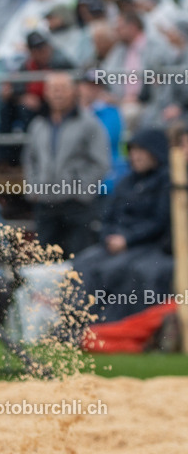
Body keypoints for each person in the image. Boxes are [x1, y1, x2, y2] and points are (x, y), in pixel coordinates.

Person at [72, 128, 174, 323]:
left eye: (141, 151)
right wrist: (109, 236)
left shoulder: (165, 182)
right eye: (132, 151)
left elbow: (159, 222)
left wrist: (127, 239)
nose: (135, 156)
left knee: (113, 270)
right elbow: (108, 216)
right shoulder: (126, 182)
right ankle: (76, 326)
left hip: (146, 245)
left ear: (155, 152)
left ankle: (108, 326)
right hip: (115, 243)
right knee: (82, 263)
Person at [22, 72, 111, 257]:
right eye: (53, 89)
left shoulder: (90, 124)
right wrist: (34, 189)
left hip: (76, 206)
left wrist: (81, 191)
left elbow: (100, 162)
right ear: (46, 93)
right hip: (46, 205)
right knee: (46, 262)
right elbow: (30, 159)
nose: (58, 94)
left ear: (74, 92)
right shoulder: (38, 125)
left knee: (79, 262)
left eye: (63, 89)